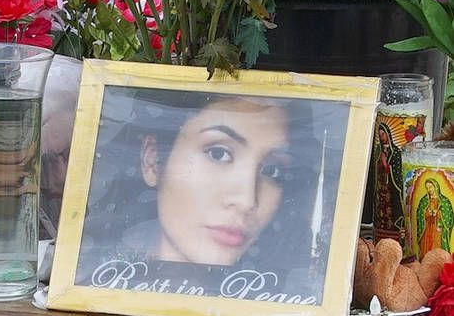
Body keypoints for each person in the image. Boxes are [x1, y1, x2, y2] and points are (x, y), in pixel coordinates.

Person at [77, 88, 330, 285]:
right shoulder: (97, 280)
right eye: (219, 153)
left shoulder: (289, 300)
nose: (246, 200)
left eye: (272, 171)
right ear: (152, 159)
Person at [415, 177, 454, 254]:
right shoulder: (424, 200)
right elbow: (419, 213)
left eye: (430, 187)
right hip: (427, 227)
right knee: (427, 245)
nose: (429, 189)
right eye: (427, 188)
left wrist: (438, 213)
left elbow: (449, 215)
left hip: (438, 228)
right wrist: (427, 213)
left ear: (435, 186)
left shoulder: (444, 200)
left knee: (436, 245)